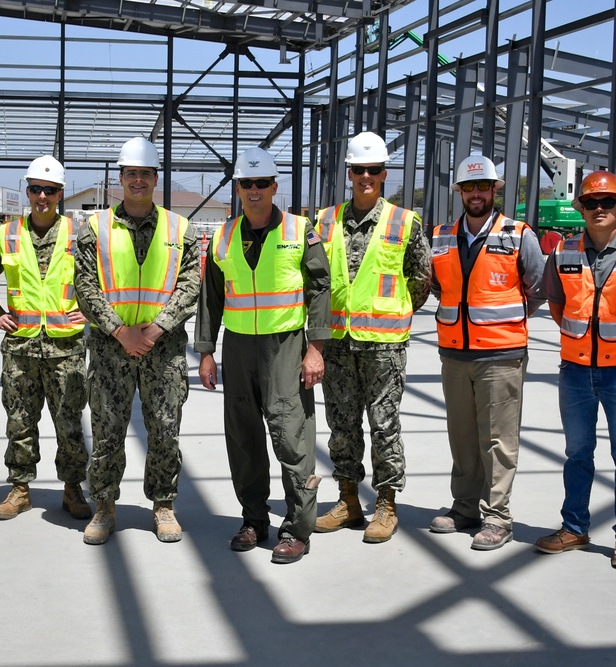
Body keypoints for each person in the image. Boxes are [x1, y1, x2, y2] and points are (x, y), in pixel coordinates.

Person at [195, 147, 331, 564]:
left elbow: (320, 287)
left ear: (275, 186)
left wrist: (315, 348)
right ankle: (254, 520)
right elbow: (210, 298)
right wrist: (205, 352)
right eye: (246, 184)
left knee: (291, 435)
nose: (253, 191)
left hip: (285, 347)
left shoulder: (300, 230)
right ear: (238, 188)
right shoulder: (222, 236)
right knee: (244, 438)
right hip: (237, 348)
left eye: (261, 184)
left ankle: (296, 529)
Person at [534, 170, 616, 569]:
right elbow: (556, 304)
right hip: (575, 370)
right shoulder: (564, 250)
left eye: (606, 202)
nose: (599, 209)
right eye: (591, 203)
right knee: (577, 453)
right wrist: (578, 338)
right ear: (582, 209)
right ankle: (574, 528)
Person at [74, 137, 200, 545]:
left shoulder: (181, 229)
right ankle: (105, 506)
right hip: (113, 347)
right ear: (121, 178)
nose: (138, 180)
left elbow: (191, 282)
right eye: (131, 174)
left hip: (163, 349)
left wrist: (158, 327)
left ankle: (163, 504)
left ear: (155, 178)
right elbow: (85, 285)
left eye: (145, 173)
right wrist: (120, 331)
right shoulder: (95, 227)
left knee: (165, 429)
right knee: (108, 430)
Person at [313, 132, 432, 544]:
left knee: (384, 426)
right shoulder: (325, 221)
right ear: (350, 173)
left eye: (374, 170)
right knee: (342, 425)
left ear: (384, 174)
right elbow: (314, 279)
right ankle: (348, 500)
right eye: (359, 170)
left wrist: (393, 313)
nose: (367, 177)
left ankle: (386, 504)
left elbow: (421, 281)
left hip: (384, 345)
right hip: (339, 343)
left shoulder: (405, 222)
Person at [429, 155, 545, 550]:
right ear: (459, 191)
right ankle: (464, 508)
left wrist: (507, 320)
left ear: (495, 190)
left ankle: (498, 517)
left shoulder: (518, 233)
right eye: (468, 188)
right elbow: (437, 286)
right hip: (455, 354)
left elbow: (538, 286)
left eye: (483, 187)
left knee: (498, 439)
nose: (476, 194)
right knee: (462, 436)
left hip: (501, 354)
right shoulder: (441, 235)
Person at [0, 156, 90, 521]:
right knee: (20, 419)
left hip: (66, 347)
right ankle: (20, 487)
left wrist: (90, 312)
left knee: (69, 421)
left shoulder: (80, 235)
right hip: (21, 346)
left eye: (50, 190)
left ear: (61, 193)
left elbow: (103, 281)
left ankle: (73, 488)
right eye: (35, 189)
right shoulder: (5, 235)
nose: (42, 196)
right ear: (27, 191)